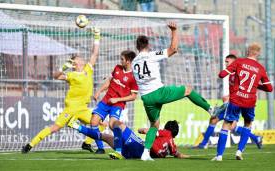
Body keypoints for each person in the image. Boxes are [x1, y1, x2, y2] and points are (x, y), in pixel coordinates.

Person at [132, 21, 218, 161]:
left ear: (137, 47)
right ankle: (210, 110)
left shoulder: (135, 61)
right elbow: (173, 49)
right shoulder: (152, 55)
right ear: (148, 45)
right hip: (158, 92)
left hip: (146, 97)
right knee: (188, 90)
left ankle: (146, 153)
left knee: (154, 125)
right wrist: (174, 31)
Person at [21, 28, 105, 154]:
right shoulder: (71, 75)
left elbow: (95, 54)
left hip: (83, 108)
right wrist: (63, 68)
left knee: (100, 123)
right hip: (71, 108)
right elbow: (56, 76)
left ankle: (88, 144)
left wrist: (97, 36)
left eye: (80, 58)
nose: (81, 59)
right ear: (75, 63)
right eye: (78, 58)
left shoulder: (88, 69)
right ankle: (30, 145)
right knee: (55, 128)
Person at [212, 43, 273, 161]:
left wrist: (228, 71)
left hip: (236, 99)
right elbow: (269, 89)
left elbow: (221, 74)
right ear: (258, 54)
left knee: (226, 125)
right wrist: (257, 86)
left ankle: (219, 155)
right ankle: (239, 151)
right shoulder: (260, 68)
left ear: (248, 51)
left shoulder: (239, 62)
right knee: (247, 124)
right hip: (249, 101)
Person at [194, 54, 262, 149]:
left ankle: (255, 138)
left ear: (234, 62)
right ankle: (204, 143)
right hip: (232, 103)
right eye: (225, 62)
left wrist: (229, 98)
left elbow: (244, 89)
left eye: (227, 62)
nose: (225, 64)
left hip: (238, 104)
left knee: (230, 126)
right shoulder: (231, 74)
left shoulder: (238, 74)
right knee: (214, 120)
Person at [90, 50, 138, 154]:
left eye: (122, 59)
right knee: (93, 121)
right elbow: (108, 81)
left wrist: (117, 99)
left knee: (113, 125)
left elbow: (134, 96)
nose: (120, 61)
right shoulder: (117, 68)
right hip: (106, 100)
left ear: (128, 61)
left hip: (117, 105)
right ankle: (100, 148)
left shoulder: (134, 77)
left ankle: (120, 149)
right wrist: (99, 91)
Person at [68, 118, 189, 160]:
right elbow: (178, 155)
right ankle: (77, 126)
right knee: (106, 137)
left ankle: (77, 126)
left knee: (117, 123)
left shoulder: (166, 133)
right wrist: (189, 157)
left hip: (138, 146)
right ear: (175, 134)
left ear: (167, 128)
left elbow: (148, 131)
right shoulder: (172, 147)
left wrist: (142, 130)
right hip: (132, 155)